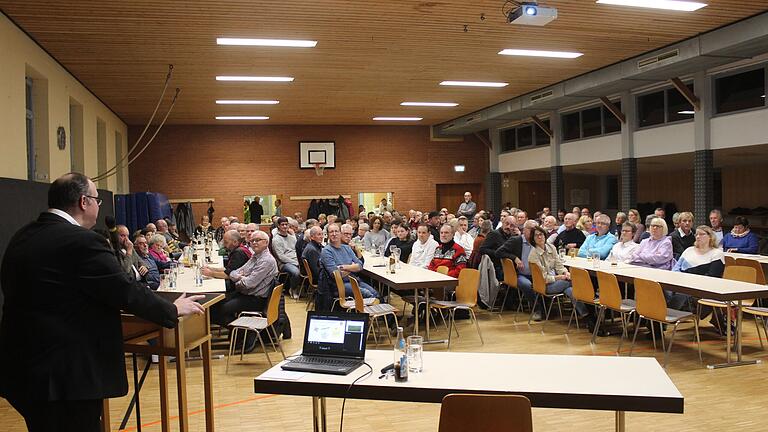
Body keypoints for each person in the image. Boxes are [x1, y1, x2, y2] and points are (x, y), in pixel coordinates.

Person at [0, 172, 204, 431]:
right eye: (97, 200)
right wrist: (172, 309)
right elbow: (123, 290)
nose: (99, 206)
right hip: (66, 377)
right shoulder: (82, 241)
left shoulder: (23, 236)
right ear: (84, 202)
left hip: (22, 368)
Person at [211, 231, 279, 328]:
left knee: (216, 310)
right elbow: (238, 271)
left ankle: (243, 331)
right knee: (214, 304)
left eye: (258, 240)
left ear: (266, 242)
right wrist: (240, 277)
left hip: (256, 300)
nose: (254, 243)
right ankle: (238, 332)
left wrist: (239, 278)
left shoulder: (266, 260)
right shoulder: (255, 256)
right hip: (244, 294)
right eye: (252, 241)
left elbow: (248, 283)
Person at [527, 226, 586, 320]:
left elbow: (559, 265)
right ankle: (591, 308)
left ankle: (585, 315)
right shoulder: (533, 255)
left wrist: (565, 273)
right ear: (532, 239)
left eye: (541, 234)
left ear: (545, 235)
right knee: (574, 281)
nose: (539, 237)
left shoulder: (551, 247)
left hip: (558, 281)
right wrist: (560, 277)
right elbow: (544, 278)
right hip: (545, 285)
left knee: (570, 290)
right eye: (536, 235)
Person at [669, 226, 725, 311]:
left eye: (702, 234)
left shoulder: (717, 254)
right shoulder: (689, 250)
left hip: (699, 289)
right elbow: (676, 269)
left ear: (710, 237)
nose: (698, 236)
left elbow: (712, 277)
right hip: (680, 284)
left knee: (678, 297)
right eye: (697, 234)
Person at [321, 223, 378, 298]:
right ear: (328, 234)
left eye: (336, 231)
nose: (334, 234)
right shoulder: (326, 251)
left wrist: (342, 267)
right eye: (331, 232)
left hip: (354, 280)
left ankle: (378, 309)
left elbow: (360, 265)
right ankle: (363, 310)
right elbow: (335, 274)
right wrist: (352, 267)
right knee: (368, 294)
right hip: (340, 284)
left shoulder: (347, 248)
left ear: (340, 233)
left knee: (375, 293)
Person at [202, 230, 250, 295]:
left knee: (210, 287)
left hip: (239, 287)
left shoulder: (239, 253)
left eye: (226, 242)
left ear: (235, 242)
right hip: (235, 281)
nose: (224, 245)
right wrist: (211, 268)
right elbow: (227, 269)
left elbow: (228, 275)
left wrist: (211, 273)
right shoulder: (238, 249)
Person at [479, 215, 519, 280]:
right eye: (507, 224)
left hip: (512, 267)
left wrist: (518, 236)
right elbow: (482, 249)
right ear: (502, 223)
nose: (508, 227)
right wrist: (498, 253)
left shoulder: (513, 237)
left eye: (512, 225)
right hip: (497, 268)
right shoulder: (494, 234)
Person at [271, 217, 302, 299]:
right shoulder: (276, 239)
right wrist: (295, 262)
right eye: (282, 225)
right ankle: (293, 289)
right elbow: (280, 256)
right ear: (278, 226)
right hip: (284, 263)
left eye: (286, 224)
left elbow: (296, 248)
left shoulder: (291, 237)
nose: (285, 226)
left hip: (295, 259)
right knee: (295, 272)